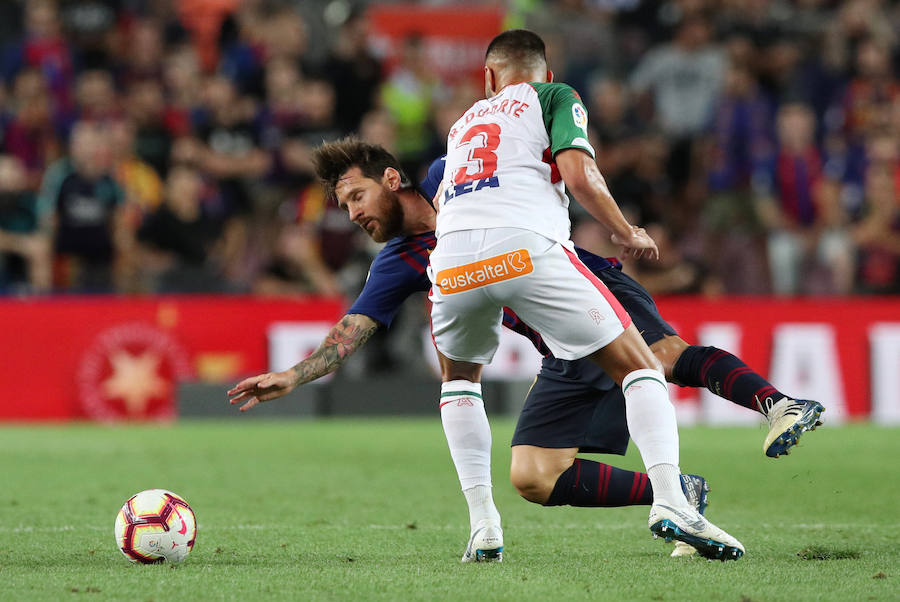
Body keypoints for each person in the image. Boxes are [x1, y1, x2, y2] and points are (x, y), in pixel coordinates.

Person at [228, 139, 823, 562]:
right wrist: (294, 376)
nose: (353, 213)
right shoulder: (399, 261)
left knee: (660, 355)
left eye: (355, 195)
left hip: (582, 284)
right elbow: (353, 327)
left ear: (390, 180)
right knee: (534, 477)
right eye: (344, 206)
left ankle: (779, 404)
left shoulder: (451, 171)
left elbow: (546, 163)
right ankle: (678, 494)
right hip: (556, 347)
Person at [427, 29, 739, 562]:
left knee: (459, 384)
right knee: (641, 366)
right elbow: (577, 171)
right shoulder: (554, 96)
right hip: (523, 246)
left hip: (451, 260)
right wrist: (625, 229)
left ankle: (484, 527)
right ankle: (671, 499)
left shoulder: (462, 125)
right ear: (545, 73)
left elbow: (440, 199)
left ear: (488, 78)